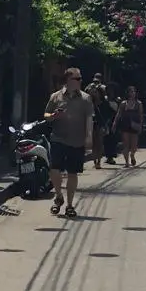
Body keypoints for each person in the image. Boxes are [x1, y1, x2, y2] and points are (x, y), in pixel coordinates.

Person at [44, 67, 94, 218]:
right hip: (58, 137)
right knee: (54, 169)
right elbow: (46, 115)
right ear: (68, 80)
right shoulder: (56, 96)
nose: (80, 81)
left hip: (77, 140)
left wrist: (89, 136)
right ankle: (58, 195)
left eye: (80, 79)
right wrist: (53, 115)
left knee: (73, 173)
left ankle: (70, 205)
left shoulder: (85, 98)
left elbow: (89, 118)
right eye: (77, 79)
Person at [115, 85, 144, 167]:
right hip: (125, 125)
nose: (132, 93)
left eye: (134, 91)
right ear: (127, 93)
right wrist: (115, 123)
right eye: (131, 91)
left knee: (134, 145)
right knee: (125, 144)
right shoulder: (124, 103)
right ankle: (126, 162)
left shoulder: (139, 104)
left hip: (135, 125)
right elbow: (119, 114)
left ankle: (132, 155)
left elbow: (141, 115)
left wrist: (141, 125)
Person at [87, 73, 108, 169]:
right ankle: (95, 160)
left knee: (99, 141)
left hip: (100, 119)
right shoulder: (89, 88)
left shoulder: (103, 88)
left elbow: (105, 100)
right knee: (93, 142)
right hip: (91, 118)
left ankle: (98, 160)